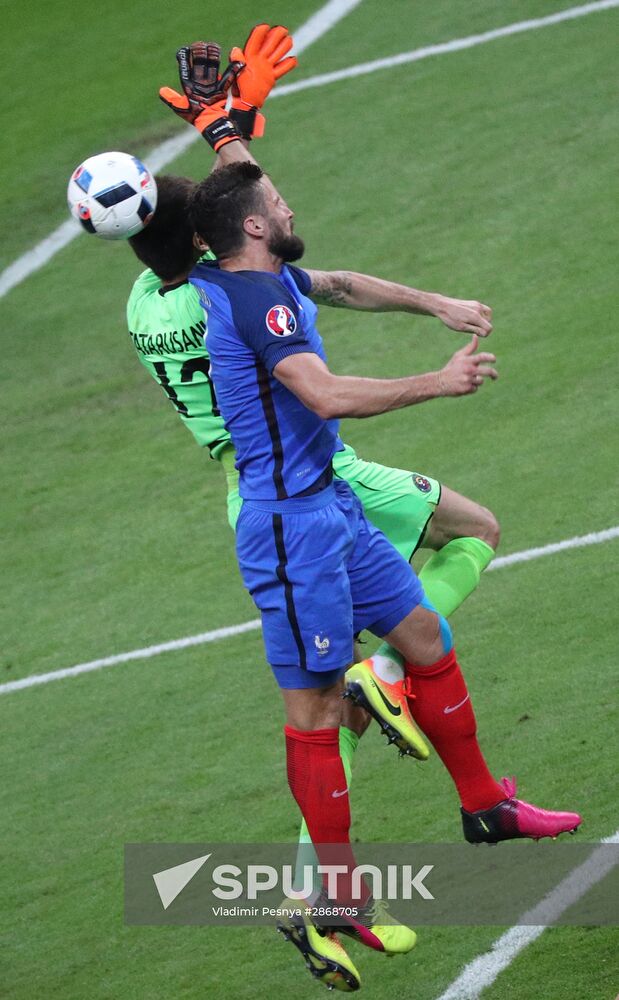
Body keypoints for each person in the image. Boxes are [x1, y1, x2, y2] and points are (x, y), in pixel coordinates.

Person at [186, 156, 581, 978]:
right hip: (289, 534)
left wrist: (226, 132)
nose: (290, 206)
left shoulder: (247, 269)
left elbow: (335, 280)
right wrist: (436, 383)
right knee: (316, 710)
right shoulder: (254, 303)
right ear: (254, 227)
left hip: (331, 507)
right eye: (278, 202)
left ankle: (485, 806)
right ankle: (333, 903)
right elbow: (322, 396)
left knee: (425, 638)